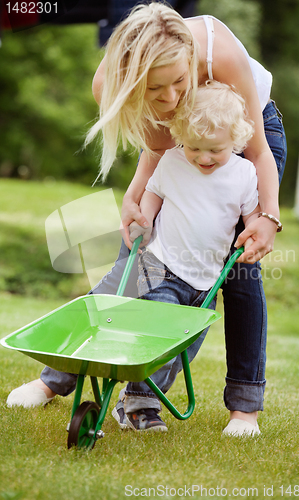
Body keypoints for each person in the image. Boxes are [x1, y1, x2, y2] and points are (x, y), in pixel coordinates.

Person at [7, 3, 287, 436]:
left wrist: (267, 215)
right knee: (136, 263)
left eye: (180, 82)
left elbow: (258, 153)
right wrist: (136, 199)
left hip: (245, 141)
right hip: (181, 150)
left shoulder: (218, 50)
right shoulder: (110, 84)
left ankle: (244, 407)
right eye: (157, 89)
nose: (173, 99)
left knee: (239, 272)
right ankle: (56, 380)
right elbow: (159, 151)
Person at [113, 80, 261, 435]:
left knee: (183, 349)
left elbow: (252, 214)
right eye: (195, 147)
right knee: (159, 336)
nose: (204, 158)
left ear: (237, 141)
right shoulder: (173, 161)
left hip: (205, 282)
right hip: (162, 269)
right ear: (180, 136)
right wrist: (144, 219)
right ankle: (139, 405)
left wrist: (255, 232)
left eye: (215, 150)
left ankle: (136, 400)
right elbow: (152, 192)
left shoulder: (244, 174)